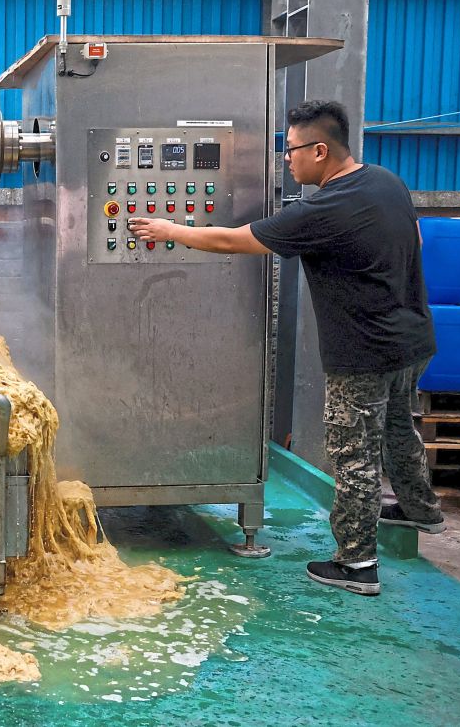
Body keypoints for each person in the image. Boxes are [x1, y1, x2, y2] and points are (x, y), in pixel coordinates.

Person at [128, 99, 443, 596]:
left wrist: (169, 230)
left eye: (291, 150)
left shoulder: (325, 208)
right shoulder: (386, 181)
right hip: (413, 337)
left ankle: (357, 564)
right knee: (401, 426)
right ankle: (421, 510)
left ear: (321, 150)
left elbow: (235, 241)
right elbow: (417, 240)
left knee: (353, 453)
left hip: (363, 350)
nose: (286, 161)